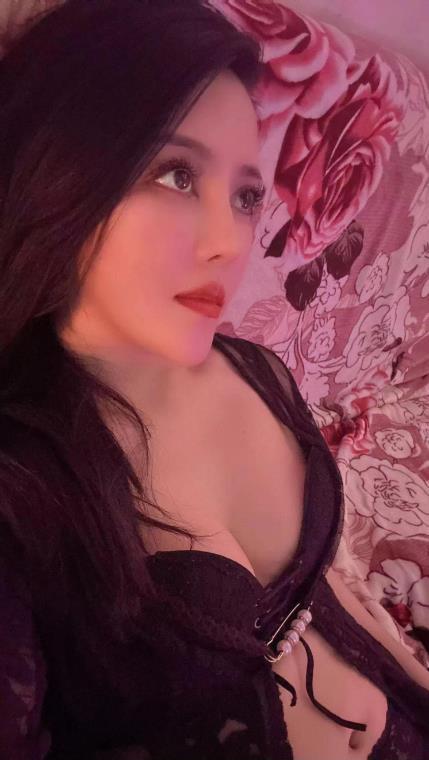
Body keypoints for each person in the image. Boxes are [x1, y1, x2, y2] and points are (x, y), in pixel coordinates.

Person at [0, 1, 429, 759]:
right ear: (58, 176)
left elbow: (326, 594)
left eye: (246, 195)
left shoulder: (256, 370)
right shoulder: (20, 489)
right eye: (176, 174)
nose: (232, 243)